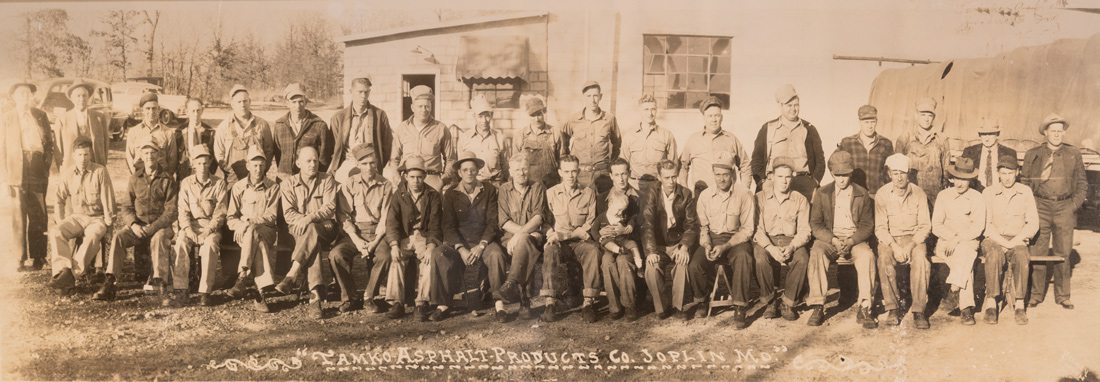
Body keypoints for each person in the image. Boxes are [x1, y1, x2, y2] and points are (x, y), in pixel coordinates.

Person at [1021, 113, 1087, 310]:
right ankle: (1036, 294)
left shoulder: (1073, 154)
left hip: (1064, 207)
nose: (1057, 134)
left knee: (1063, 252)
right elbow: (1025, 182)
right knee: (1038, 250)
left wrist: (1073, 205)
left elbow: (1083, 183)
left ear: (1064, 133)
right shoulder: (1033, 154)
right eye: (1053, 130)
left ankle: (1063, 295)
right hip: (1040, 206)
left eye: (1060, 131)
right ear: (1046, 132)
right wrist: (1031, 206)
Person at [806, 151, 876, 328]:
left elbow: (867, 225)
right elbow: (815, 224)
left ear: (851, 173)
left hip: (855, 240)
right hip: (830, 239)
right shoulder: (822, 193)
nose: (841, 179)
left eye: (845, 175)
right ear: (831, 173)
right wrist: (833, 239)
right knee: (816, 252)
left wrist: (852, 241)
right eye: (837, 175)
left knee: (867, 256)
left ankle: (865, 306)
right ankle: (817, 305)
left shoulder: (862, 194)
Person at [102, 138, 176, 301]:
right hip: (138, 226)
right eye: (146, 153)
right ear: (141, 156)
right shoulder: (135, 179)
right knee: (119, 237)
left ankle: (160, 282)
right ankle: (110, 281)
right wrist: (134, 224)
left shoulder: (167, 179)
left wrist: (153, 227)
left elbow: (170, 211)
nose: (149, 156)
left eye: (153, 152)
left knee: (159, 238)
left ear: (159, 155)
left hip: (160, 227)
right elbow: (126, 207)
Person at [688, 151, 755, 328]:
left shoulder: (744, 194)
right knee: (695, 264)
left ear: (733, 173)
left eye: (726, 174)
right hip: (713, 238)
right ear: (713, 175)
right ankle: (702, 300)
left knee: (743, 258)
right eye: (718, 175)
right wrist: (707, 244)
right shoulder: (705, 196)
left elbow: (747, 229)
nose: (722, 179)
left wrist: (726, 246)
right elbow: (703, 228)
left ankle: (740, 306)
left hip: (736, 240)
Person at [438, 151, 507, 322]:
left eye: (473, 169)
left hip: (483, 241)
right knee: (439, 254)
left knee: (496, 255)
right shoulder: (451, 194)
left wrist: (482, 245)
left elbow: (493, 222)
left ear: (478, 171)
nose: (469, 173)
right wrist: (460, 249)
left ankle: (500, 304)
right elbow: (448, 226)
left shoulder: (489, 190)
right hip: (459, 242)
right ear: (459, 173)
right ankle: (443, 303)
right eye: (465, 170)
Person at [327, 144, 394, 315]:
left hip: (377, 232)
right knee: (336, 255)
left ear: (377, 163)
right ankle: (349, 297)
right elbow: (343, 215)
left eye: (372, 163)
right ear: (358, 164)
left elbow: (386, 217)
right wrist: (357, 240)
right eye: (364, 163)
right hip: (354, 232)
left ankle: (369, 297)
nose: (369, 167)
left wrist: (374, 243)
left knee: (384, 255)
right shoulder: (349, 184)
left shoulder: (385, 185)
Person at [274, 146, 338, 319]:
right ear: (298, 163)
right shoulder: (288, 184)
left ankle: (292, 274)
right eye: (308, 161)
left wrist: (308, 218)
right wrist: (306, 221)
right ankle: (315, 296)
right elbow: (288, 214)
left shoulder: (327, 180)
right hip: (297, 230)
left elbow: (329, 208)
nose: (313, 164)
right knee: (312, 242)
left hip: (325, 229)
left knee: (311, 230)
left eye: (315, 160)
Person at [540, 154, 602, 323]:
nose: (570, 175)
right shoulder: (550, 193)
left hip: (579, 243)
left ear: (579, 171)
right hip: (558, 242)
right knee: (550, 250)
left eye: (574, 171)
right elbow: (544, 221)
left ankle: (589, 302)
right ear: (560, 172)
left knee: (593, 251)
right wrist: (550, 234)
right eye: (566, 171)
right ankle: (550, 303)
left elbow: (589, 224)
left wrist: (568, 234)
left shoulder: (588, 193)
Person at [48, 137, 114, 293]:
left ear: (90, 154)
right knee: (56, 231)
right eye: (79, 155)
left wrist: (109, 225)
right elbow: (58, 199)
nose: (83, 159)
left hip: (96, 218)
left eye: (86, 155)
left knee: (93, 236)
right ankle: (61, 271)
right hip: (77, 217)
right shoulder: (68, 173)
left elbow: (108, 200)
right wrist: (61, 220)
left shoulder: (100, 171)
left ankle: (71, 276)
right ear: (73, 156)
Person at [876, 153, 933, 329]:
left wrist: (910, 245)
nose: (899, 177)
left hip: (913, 239)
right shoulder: (882, 194)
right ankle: (893, 307)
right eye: (895, 173)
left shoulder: (918, 193)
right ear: (889, 174)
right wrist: (893, 246)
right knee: (884, 258)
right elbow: (880, 228)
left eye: (902, 173)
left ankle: (918, 310)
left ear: (908, 174)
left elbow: (925, 226)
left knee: (921, 261)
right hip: (890, 239)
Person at [385, 156, 444, 321]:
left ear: (424, 177)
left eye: (419, 177)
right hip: (405, 237)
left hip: (423, 237)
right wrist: (394, 244)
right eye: (412, 177)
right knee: (396, 259)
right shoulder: (399, 194)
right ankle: (397, 302)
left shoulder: (433, 195)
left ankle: (422, 302)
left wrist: (431, 245)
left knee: (428, 259)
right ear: (405, 176)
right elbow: (392, 222)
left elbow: (435, 225)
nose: (416, 181)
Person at [752, 157, 811, 322]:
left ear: (792, 177)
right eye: (780, 176)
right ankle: (770, 301)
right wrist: (770, 247)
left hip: (791, 240)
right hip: (767, 240)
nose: (784, 181)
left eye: (787, 177)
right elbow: (757, 229)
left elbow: (805, 230)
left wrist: (792, 247)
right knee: (759, 258)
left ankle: (788, 302)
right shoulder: (759, 198)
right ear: (771, 176)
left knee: (802, 258)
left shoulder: (800, 199)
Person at [981, 154, 1038, 325]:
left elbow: (1033, 223)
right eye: (1003, 173)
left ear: (1017, 172)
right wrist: (1002, 242)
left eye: (1010, 173)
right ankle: (991, 302)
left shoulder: (1025, 192)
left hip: (1017, 239)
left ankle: (1020, 304)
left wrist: (1015, 241)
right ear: (998, 173)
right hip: (993, 239)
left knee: (1022, 256)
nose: (1007, 177)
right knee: (994, 255)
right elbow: (986, 224)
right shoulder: (988, 192)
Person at [224, 146, 281, 313]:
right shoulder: (239, 187)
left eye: (261, 165)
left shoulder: (273, 187)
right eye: (255, 165)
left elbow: (271, 217)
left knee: (255, 231)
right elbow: (230, 218)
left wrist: (249, 222)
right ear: (248, 166)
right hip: (245, 234)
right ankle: (260, 292)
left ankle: (242, 276)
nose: (258, 169)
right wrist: (242, 225)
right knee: (258, 241)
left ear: (266, 167)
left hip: (268, 231)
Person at [640, 159, 698, 320]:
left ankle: (678, 306)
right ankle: (662, 307)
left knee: (682, 263)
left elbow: (691, 225)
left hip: (678, 243)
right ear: (659, 177)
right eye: (666, 177)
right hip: (658, 244)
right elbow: (647, 223)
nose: (671, 181)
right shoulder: (651, 193)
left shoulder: (686, 194)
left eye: (674, 177)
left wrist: (685, 246)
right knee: (651, 268)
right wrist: (651, 251)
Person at [931, 157, 986, 326]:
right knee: (965, 257)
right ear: (952, 178)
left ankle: (957, 284)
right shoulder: (943, 196)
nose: (960, 183)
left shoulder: (977, 197)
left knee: (964, 252)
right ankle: (966, 308)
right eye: (957, 178)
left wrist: (959, 239)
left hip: (968, 241)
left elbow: (978, 227)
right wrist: (952, 238)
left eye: (965, 179)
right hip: (946, 242)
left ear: (970, 180)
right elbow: (936, 225)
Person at [172, 144, 228, 308]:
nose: (202, 167)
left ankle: (205, 291)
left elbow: (220, 213)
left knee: (210, 245)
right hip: (190, 226)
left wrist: (208, 231)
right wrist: (188, 230)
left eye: (205, 162)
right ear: (193, 164)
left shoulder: (219, 183)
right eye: (198, 163)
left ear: (210, 162)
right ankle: (181, 289)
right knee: (181, 242)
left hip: (210, 227)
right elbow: (182, 211)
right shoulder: (186, 183)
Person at [496, 153, 548, 320]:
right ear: (510, 171)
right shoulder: (504, 190)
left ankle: (512, 282)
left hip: (534, 237)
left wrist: (520, 235)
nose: (522, 173)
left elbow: (538, 217)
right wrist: (520, 234)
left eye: (524, 169)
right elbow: (503, 221)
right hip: (510, 238)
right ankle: (524, 301)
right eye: (517, 170)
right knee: (523, 242)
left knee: (524, 242)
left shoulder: (537, 187)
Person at [750, 84, 825, 201]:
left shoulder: (809, 129)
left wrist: (814, 182)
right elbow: (756, 160)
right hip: (773, 183)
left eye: (796, 105)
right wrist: (762, 182)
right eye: (789, 105)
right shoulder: (768, 128)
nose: (793, 109)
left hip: (803, 184)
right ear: (780, 106)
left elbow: (820, 161)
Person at [8, 81, 54, 271]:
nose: (25, 98)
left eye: (27, 94)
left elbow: (49, 143)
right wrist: (5, 175)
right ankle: (19, 258)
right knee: (18, 213)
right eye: (21, 94)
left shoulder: (41, 115)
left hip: (37, 166)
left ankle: (39, 256)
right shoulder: (6, 118)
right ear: (14, 97)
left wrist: (45, 165)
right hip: (16, 168)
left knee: (39, 213)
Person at [596, 159, 643, 321]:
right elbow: (597, 225)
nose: (621, 178)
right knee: (607, 261)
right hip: (609, 245)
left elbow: (643, 227)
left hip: (629, 245)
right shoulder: (602, 199)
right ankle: (614, 306)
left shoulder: (637, 198)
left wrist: (628, 230)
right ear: (611, 176)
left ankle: (630, 305)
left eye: (624, 173)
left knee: (623, 261)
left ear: (629, 173)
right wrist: (602, 231)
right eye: (617, 175)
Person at [679, 96, 752, 195]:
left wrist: (744, 191)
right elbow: (682, 167)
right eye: (710, 116)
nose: (714, 120)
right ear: (704, 117)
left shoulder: (731, 139)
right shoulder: (693, 140)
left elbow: (745, 166)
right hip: (700, 196)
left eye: (717, 115)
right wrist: (685, 191)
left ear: (721, 117)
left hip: (727, 197)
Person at [390, 85, 456, 191]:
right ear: (412, 107)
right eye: (420, 106)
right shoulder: (402, 129)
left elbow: (451, 159)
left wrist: (442, 180)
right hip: (408, 181)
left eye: (427, 106)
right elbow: (394, 160)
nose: (424, 110)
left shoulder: (441, 129)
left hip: (432, 181)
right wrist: (398, 180)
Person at [561, 81, 621, 194]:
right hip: (580, 175)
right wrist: (569, 163)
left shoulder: (609, 119)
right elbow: (563, 143)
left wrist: (610, 166)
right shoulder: (573, 119)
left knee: (602, 208)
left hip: (602, 175)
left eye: (595, 96)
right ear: (583, 98)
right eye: (588, 96)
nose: (592, 100)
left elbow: (617, 144)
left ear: (600, 97)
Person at [329, 77, 393, 181]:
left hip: (371, 164)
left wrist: (375, 163)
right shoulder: (338, 117)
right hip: (348, 162)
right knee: (343, 189)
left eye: (366, 92)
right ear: (351, 92)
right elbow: (333, 147)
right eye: (360, 92)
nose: (363, 96)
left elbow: (387, 145)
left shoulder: (380, 115)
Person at [213, 85, 275, 184]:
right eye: (239, 102)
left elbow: (269, 150)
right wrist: (229, 172)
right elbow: (219, 154)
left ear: (249, 102)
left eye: (245, 101)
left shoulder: (262, 124)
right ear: (232, 104)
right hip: (232, 180)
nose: (242, 104)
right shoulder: (224, 127)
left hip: (257, 179)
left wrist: (261, 170)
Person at [895, 97, 949, 205]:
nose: (926, 119)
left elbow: (946, 170)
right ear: (916, 116)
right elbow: (897, 169)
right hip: (911, 194)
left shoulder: (942, 139)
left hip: (934, 196)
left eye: (930, 115)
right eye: (923, 115)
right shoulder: (905, 138)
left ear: (934, 117)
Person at [273, 83, 333, 177]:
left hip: (310, 178)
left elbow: (324, 157)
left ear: (306, 102)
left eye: (301, 101)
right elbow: (278, 154)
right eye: (293, 102)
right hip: (285, 178)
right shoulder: (279, 125)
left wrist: (317, 178)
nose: (298, 106)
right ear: (287, 103)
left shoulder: (319, 125)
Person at [621, 94, 677, 192]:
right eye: (646, 109)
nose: (650, 113)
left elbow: (673, 164)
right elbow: (623, 164)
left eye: (653, 109)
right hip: (635, 187)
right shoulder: (629, 135)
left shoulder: (666, 135)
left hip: (657, 187)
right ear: (640, 111)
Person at [836, 105, 893, 197]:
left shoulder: (885, 144)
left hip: (878, 196)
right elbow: (834, 164)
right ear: (860, 122)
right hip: (855, 196)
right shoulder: (848, 143)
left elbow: (891, 170)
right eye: (866, 122)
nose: (870, 126)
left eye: (872, 122)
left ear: (876, 122)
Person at [126, 92, 182, 179]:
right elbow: (129, 158)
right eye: (147, 108)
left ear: (159, 109)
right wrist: (137, 178)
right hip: (140, 178)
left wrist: (165, 179)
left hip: (161, 179)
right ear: (142, 110)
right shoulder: (133, 132)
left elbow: (172, 160)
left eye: (154, 108)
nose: (151, 112)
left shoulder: (168, 132)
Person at [454, 95, 507, 185]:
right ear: (474, 116)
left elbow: (505, 166)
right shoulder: (464, 138)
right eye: (480, 116)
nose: (484, 120)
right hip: (472, 186)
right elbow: (459, 167)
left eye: (487, 116)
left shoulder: (499, 137)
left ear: (491, 116)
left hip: (494, 185)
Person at [56, 81, 108, 170]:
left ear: (89, 98)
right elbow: (58, 148)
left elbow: (106, 144)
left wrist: (102, 163)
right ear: (71, 98)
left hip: (95, 165)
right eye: (78, 96)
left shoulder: (99, 117)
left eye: (84, 95)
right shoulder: (62, 119)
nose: (82, 99)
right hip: (71, 167)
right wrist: (62, 167)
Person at [514, 96, 563, 187]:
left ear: (544, 112)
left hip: (551, 184)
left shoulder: (555, 133)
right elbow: (515, 163)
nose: (537, 119)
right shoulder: (520, 135)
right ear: (528, 115)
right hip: (529, 184)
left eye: (539, 114)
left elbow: (562, 160)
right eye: (533, 115)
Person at [961, 123, 1016, 192]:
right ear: (980, 136)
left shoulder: (1009, 153)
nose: (987, 138)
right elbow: (962, 176)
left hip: (1000, 194)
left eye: (990, 134)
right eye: (983, 134)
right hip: (975, 193)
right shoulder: (969, 152)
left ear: (997, 134)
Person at [178, 98, 217, 181]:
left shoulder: (210, 132)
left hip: (204, 174)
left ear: (202, 110)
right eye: (193, 111)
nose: (196, 114)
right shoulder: (179, 132)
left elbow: (214, 156)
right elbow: (174, 157)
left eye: (198, 110)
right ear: (187, 111)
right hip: (184, 174)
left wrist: (208, 172)